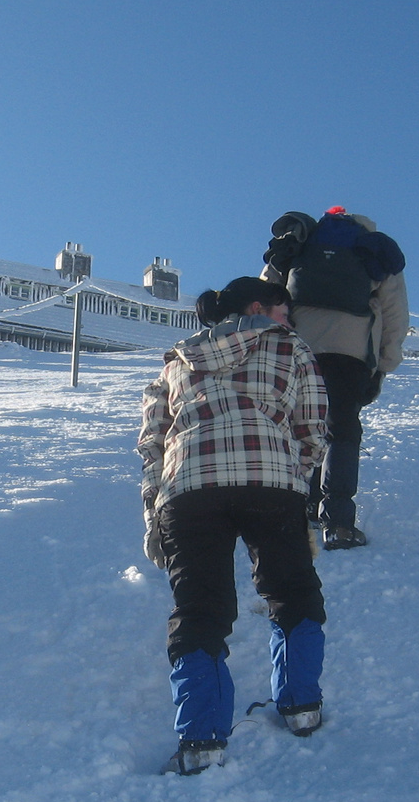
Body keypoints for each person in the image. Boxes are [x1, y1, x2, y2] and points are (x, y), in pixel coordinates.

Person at [138, 277, 330, 775]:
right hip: (271, 480)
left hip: (188, 489)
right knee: (291, 588)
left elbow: (152, 444)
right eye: (285, 311)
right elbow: (313, 429)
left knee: (199, 608)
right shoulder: (290, 347)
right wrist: (293, 472)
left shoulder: (175, 362)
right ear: (258, 307)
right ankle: (301, 708)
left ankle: (201, 741)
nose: (290, 322)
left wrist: (153, 511)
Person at [262, 207, 409, 549]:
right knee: (341, 431)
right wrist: (384, 364)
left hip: (298, 350)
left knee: (298, 427)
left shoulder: (299, 242)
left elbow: (264, 293)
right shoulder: (375, 247)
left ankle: (299, 509)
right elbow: (394, 313)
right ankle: (339, 523)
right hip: (350, 354)